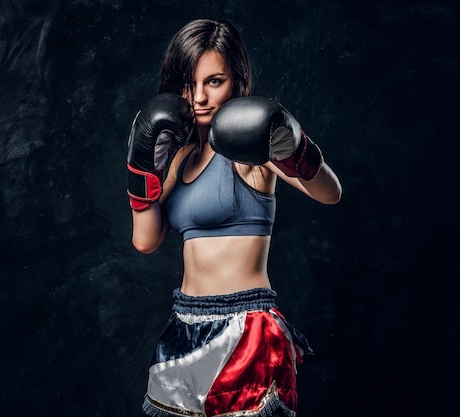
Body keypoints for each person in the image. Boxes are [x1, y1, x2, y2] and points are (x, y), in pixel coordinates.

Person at [126, 18, 342, 417]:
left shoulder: (251, 145)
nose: (199, 97)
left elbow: (331, 194)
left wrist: (294, 149)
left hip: (246, 329)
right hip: (184, 323)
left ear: (237, 80)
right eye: (189, 84)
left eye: (214, 81)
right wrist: (141, 170)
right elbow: (146, 240)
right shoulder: (179, 154)